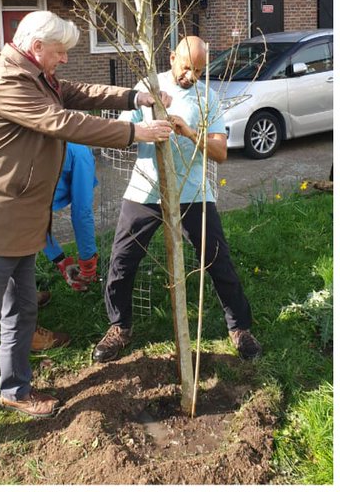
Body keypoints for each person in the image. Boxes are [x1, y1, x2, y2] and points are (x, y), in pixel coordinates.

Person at [0, 11, 174, 461]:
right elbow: (63, 121)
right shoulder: (8, 81)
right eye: (60, 51)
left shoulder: (35, 74)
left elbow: (76, 93)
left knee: (22, 310)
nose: (65, 59)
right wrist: (133, 131)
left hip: (18, 225)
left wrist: (133, 95)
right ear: (35, 47)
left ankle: (15, 390)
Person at [94, 35, 262, 364]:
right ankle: (119, 327)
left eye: (199, 70)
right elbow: (122, 134)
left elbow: (221, 153)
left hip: (193, 193)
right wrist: (144, 130)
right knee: (122, 262)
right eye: (187, 68)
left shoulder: (208, 98)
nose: (192, 76)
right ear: (171, 57)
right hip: (146, 189)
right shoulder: (147, 87)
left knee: (218, 260)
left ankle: (239, 329)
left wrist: (188, 132)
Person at [41, 141, 100, 293]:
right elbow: (82, 211)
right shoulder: (80, 152)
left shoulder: (32, 141)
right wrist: (88, 264)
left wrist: (61, 261)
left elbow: (32, 218)